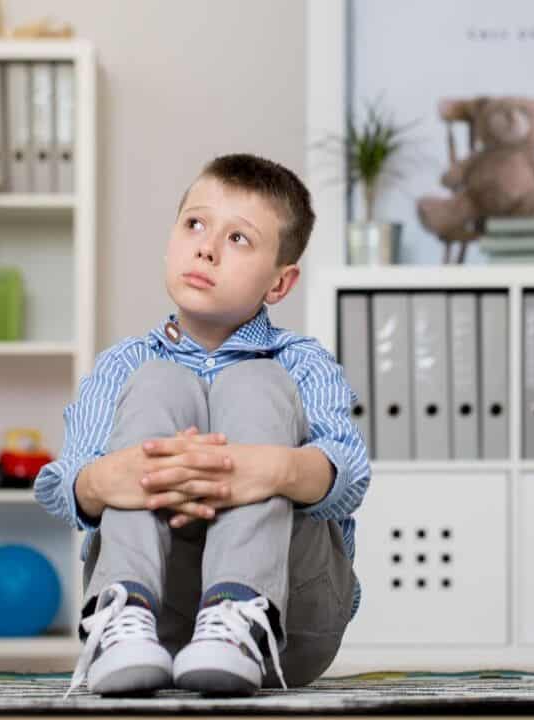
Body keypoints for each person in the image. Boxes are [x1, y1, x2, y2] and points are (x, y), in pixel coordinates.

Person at [35, 154, 369, 697]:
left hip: (290, 624)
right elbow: (66, 483)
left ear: (279, 283)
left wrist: (275, 469)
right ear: (172, 238)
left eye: (239, 239)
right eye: (195, 224)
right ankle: (126, 614)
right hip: (162, 616)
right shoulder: (125, 366)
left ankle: (239, 613)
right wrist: (104, 480)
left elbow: (351, 476)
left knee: (254, 383)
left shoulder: (301, 362)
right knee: (157, 381)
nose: (206, 248)